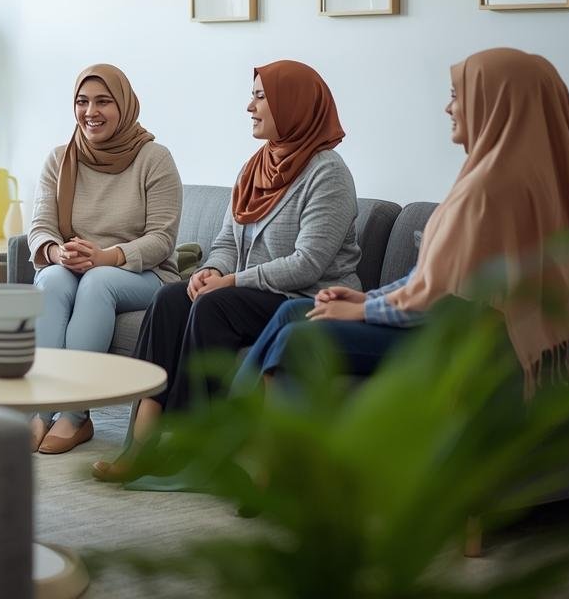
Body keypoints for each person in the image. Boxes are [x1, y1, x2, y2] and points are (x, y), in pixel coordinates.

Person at [230, 48, 569, 393]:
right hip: (426, 320)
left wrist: (362, 310)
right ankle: (235, 435)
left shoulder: (496, 191)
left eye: (458, 95)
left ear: (496, 103)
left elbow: (446, 298)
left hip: (448, 336)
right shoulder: (489, 176)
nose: (448, 108)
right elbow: (430, 278)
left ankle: (266, 453)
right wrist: (369, 296)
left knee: (298, 338)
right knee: (292, 311)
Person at [95, 60, 360, 480]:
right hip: (249, 294)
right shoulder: (256, 167)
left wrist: (229, 281)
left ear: (292, 105)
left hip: (306, 300)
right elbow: (225, 243)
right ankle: (141, 444)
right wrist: (209, 271)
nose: (249, 107)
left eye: (260, 97)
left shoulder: (328, 173)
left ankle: (191, 446)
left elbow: (308, 264)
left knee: (216, 305)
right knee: (170, 298)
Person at [28, 64, 182, 454]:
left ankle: (75, 414)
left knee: (98, 283)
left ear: (125, 105)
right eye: (82, 101)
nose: (90, 111)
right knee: (51, 280)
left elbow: (162, 240)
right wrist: (56, 252)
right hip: (74, 266)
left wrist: (106, 257)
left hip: (143, 274)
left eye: (103, 101)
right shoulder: (60, 158)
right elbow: (40, 227)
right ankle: (39, 409)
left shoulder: (154, 158)